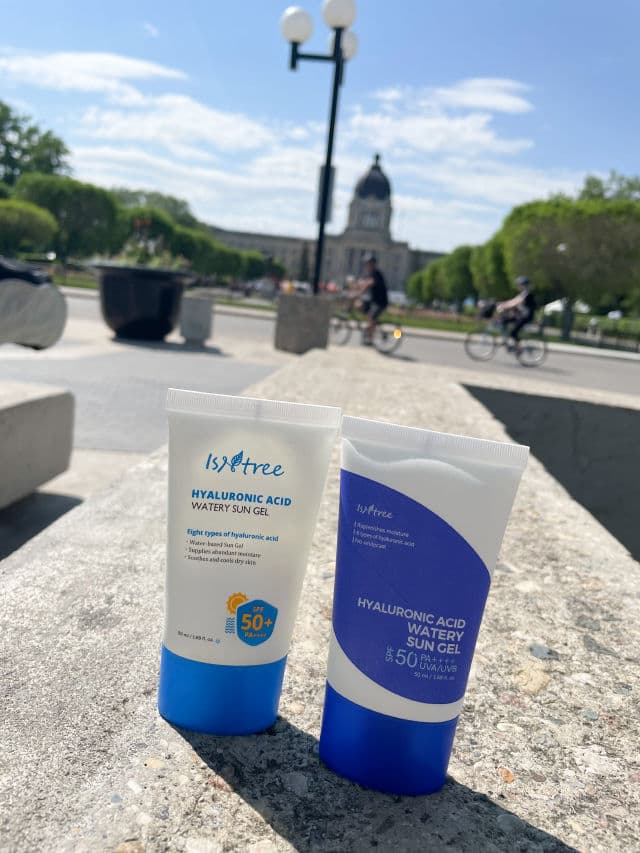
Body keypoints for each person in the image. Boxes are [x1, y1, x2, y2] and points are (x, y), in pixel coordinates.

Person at [355, 253, 389, 344]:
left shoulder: (377, 274)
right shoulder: (369, 274)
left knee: (371, 316)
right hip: (373, 300)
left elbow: (368, 284)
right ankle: (370, 324)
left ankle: (370, 339)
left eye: (368, 264)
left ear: (373, 264)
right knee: (360, 306)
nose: (367, 266)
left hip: (380, 302)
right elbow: (362, 283)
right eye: (366, 264)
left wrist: (359, 293)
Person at [497, 276, 537, 348]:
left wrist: (503, 306)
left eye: (519, 285)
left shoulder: (527, 294)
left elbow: (515, 302)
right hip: (521, 316)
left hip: (526, 317)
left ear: (523, 285)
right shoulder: (523, 294)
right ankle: (505, 340)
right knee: (503, 320)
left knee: (513, 333)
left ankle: (519, 347)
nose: (517, 286)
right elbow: (512, 301)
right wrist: (502, 303)